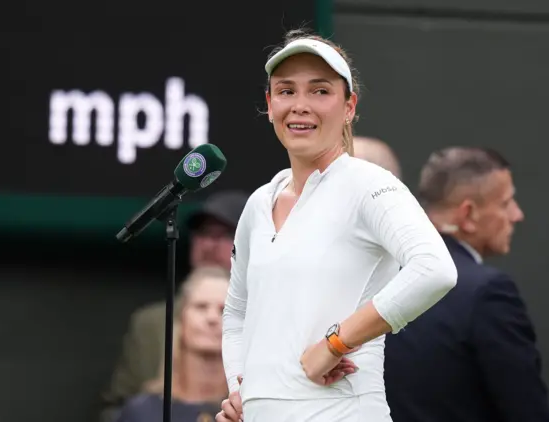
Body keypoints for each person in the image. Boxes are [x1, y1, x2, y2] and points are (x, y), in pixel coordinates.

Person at [215, 29, 458, 422]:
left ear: (349, 107)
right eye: (286, 90)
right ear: (269, 103)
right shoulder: (260, 202)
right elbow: (238, 311)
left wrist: (335, 343)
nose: (300, 105)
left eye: (320, 91)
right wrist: (244, 390)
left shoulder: (369, 184)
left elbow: (435, 269)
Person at [384, 147, 549, 422]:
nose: (516, 215)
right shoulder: (487, 292)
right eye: (506, 203)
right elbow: (527, 410)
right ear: (468, 214)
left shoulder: (379, 275)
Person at [100, 191, 248, 422]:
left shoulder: (266, 322)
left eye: (225, 234)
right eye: (204, 234)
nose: (210, 244)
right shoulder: (151, 322)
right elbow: (117, 405)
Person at [116, 266, 231, 422]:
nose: (212, 318)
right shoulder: (141, 411)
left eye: (224, 309)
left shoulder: (253, 407)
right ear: (181, 320)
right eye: (201, 307)